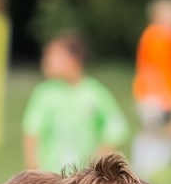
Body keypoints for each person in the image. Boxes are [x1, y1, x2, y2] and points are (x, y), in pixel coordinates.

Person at [22, 33, 130, 173]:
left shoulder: (95, 94)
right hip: (48, 177)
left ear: (74, 60)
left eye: (54, 56)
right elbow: (31, 132)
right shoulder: (44, 94)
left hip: (81, 182)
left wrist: (95, 166)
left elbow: (115, 130)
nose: (46, 61)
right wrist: (33, 168)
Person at [130, 0, 171, 184]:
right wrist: (164, 98)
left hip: (159, 94)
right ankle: (149, 168)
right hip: (155, 95)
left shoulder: (161, 36)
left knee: (162, 131)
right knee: (159, 131)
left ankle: (152, 167)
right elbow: (154, 70)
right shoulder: (159, 36)